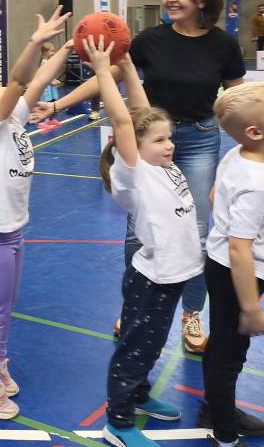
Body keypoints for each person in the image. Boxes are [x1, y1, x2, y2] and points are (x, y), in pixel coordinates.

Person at [33, 0, 246, 355]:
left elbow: (237, 97)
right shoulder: (150, 40)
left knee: (197, 232)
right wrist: (57, 105)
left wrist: (248, 143)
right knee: (137, 231)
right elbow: (107, 76)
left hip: (199, 140)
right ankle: (134, 304)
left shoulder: (223, 45)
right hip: (149, 141)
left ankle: (192, 313)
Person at [0, 6, 72, 420]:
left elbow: (36, 82)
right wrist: (35, 41)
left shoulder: (14, 120)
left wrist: (69, 46)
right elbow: (22, 80)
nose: (2, 88)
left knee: (7, 307)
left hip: (14, 230)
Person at [88, 37, 202, 447]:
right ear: (133, 148)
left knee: (151, 346)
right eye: (159, 140)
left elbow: (141, 111)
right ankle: (118, 422)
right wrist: (104, 71)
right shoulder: (133, 173)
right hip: (151, 278)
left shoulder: (163, 164)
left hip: (174, 274)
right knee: (135, 347)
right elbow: (124, 122)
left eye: (169, 137)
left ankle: (139, 394)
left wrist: (128, 65)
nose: (170, 144)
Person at [203, 82, 264, 447]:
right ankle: (225, 434)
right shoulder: (258, 181)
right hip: (239, 273)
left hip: (225, 267)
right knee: (229, 355)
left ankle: (216, 408)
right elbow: (239, 249)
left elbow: (215, 195)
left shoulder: (240, 155)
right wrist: (251, 308)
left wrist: (228, 222)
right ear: (256, 132)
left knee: (222, 346)